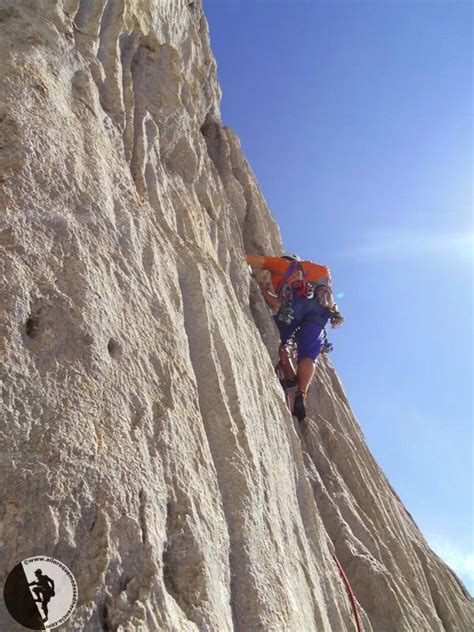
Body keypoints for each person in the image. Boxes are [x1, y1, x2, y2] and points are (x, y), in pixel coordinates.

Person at [247, 252, 343, 420]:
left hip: (297, 306)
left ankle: (289, 373)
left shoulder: (285, 266)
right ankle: (301, 392)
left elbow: (251, 259)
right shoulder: (319, 272)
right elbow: (278, 302)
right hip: (320, 315)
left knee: (278, 336)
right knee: (308, 356)